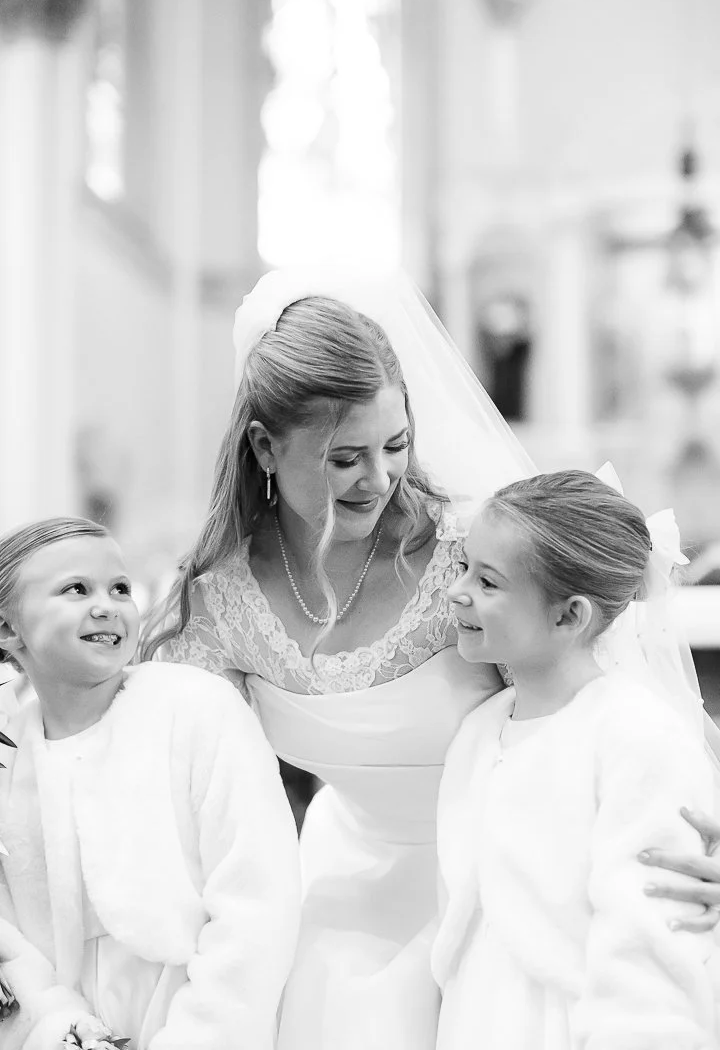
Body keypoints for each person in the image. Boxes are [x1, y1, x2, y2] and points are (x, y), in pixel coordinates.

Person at [142, 268, 720, 1050]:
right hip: (337, 892)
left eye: (395, 444)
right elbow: (165, 782)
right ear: (264, 448)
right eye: (344, 457)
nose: (378, 479)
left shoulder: (478, 554)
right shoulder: (217, 601)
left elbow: (627, 718)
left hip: (505, 890)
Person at [433, 470, 718, 1049]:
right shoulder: (480, 731)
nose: (458, 591)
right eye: (464, 567)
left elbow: (651, 953)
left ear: (569, 616)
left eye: (488, 582)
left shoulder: (636, 738)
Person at [0, 517, 300, 1050]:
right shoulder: (9, 757)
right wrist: (58, 1027)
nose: (108, 605)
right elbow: (8, 940)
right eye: (76, 589)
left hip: (202, 1017)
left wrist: (201, 1035)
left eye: (119, 588)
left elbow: (258, 895)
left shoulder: (196, 709)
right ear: (8, 630)